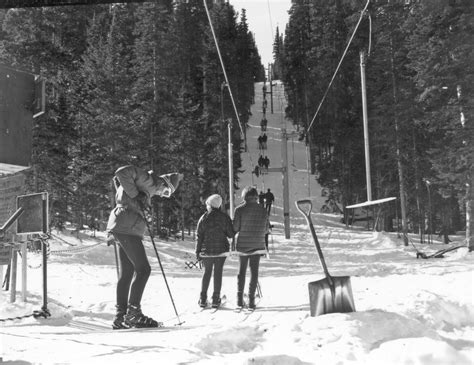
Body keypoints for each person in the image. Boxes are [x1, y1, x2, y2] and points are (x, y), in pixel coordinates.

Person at [107, 165, 183, 329]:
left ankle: (121, 317)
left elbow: (123, 187)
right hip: (127, 228)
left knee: (127, 273)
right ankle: (133, 313)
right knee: (143, 270)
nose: (162, 195)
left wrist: (137, 199)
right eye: (166, 192)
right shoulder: (150, 181)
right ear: (164, 183)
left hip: (123, 226)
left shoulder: (146, 185)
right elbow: (121, 172)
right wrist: (136, 195)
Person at [233, 187, 269, 309]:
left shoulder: (239, 210)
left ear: (244, 197)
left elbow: (235, 228)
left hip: (243, 244)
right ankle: (252, 300)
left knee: (241, 271)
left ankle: (239, 299)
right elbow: (266, 229)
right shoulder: (263, 210)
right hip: (257, 244)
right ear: (256, 197)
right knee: (254, 272)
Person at [195, 194, 234, 308]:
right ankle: (216, 299)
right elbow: (231, 234)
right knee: (218, 272)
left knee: (207, 272)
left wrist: (197, 252)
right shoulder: (224, 217)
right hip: (221, 251)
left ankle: (203, 298)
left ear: (210, 205)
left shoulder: (203, 218)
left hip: (206, 251)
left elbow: (199, 236)